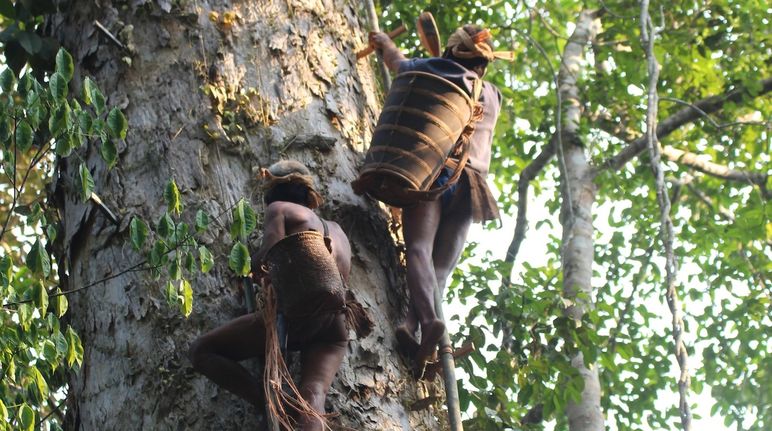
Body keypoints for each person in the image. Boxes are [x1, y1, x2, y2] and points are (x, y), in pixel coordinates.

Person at [368, 25, 509, 375]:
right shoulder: (492, 94)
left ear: (450, 53)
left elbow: (399, 64)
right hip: (473, 185)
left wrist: (385, 42)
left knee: (418, 248)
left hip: (436, 172)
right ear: (484, 65)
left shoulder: (435, 68)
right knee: (440, 267)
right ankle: (411, 324)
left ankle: (429, 320)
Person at [189, 160, 371, 430]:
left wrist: (245, 267)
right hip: (335, 326)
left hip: (298, 313)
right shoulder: (339, 232)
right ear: (309, 196)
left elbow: (268, 258)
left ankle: (273, 403)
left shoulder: (279, 209)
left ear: (271, 193)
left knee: (201, 351)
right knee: (313, 396)